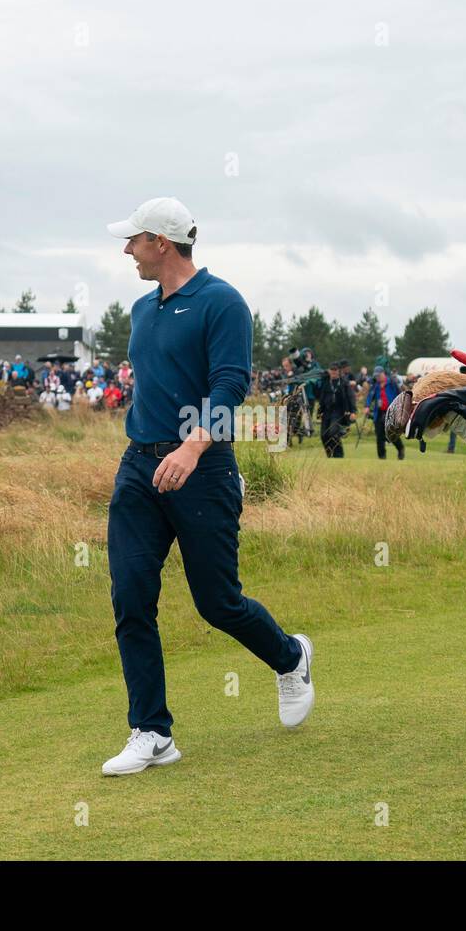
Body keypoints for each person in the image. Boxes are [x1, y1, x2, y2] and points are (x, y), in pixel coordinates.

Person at [100, 196, 314, 777]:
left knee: (217, 602)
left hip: (204, 468)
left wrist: (192, 447)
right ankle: (151, 731)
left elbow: (230, 387)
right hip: (140, 467)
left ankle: (291, 657)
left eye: (134, 241)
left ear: (161, 243)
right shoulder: (143, 310)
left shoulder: (222, 302)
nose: (127, 251)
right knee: (130, 597)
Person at [316, 360, 356, 458]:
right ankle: (329, 454)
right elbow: (321, 397)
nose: (333, 372)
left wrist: (353, 411)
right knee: (324, 435)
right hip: (326, 411)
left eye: (335, 370)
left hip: (339, 412)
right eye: (331, 370)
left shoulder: (343, 383)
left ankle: (339, 455)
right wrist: (319, 411)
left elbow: (350, 397)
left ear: (338, 371)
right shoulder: (325, 382)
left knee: (333, 432)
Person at [365, 365, 405, 460]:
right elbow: (370, 396)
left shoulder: (392, 383)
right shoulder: (375, 385)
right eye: (376, 376)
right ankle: (382, 457)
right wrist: (367, 406)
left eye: (379, 375)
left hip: (391, 412)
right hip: (379, 412)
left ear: (383, 374)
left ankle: (400, 448)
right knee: (379, 436)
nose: (377, 377)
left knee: (391, 434)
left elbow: (400, 395)